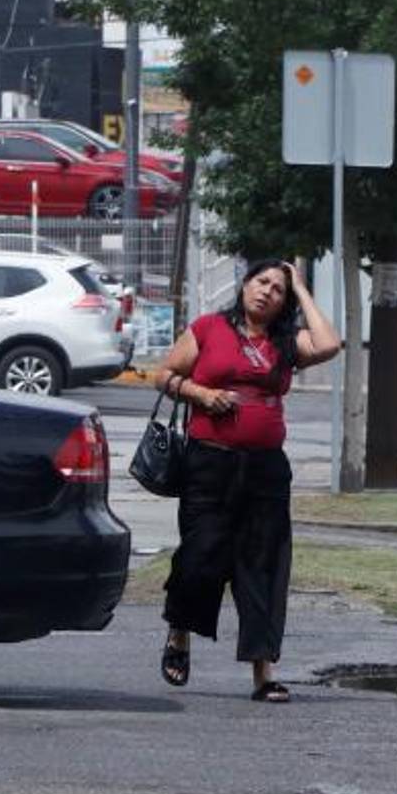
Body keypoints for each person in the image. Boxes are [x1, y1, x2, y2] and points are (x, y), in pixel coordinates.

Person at [155, 259, 341, 703]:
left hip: (265, 470)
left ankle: (264, 673)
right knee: (200, 557)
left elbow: (330, 344)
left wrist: (301, 285)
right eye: (262, 282)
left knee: (262, 567)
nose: (267, 293)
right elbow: (164, 375)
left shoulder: (286, 343)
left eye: (279, 290)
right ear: (243, 285)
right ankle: (180, 633)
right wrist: (201, 394)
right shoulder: (208, 328)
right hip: (209, 464)